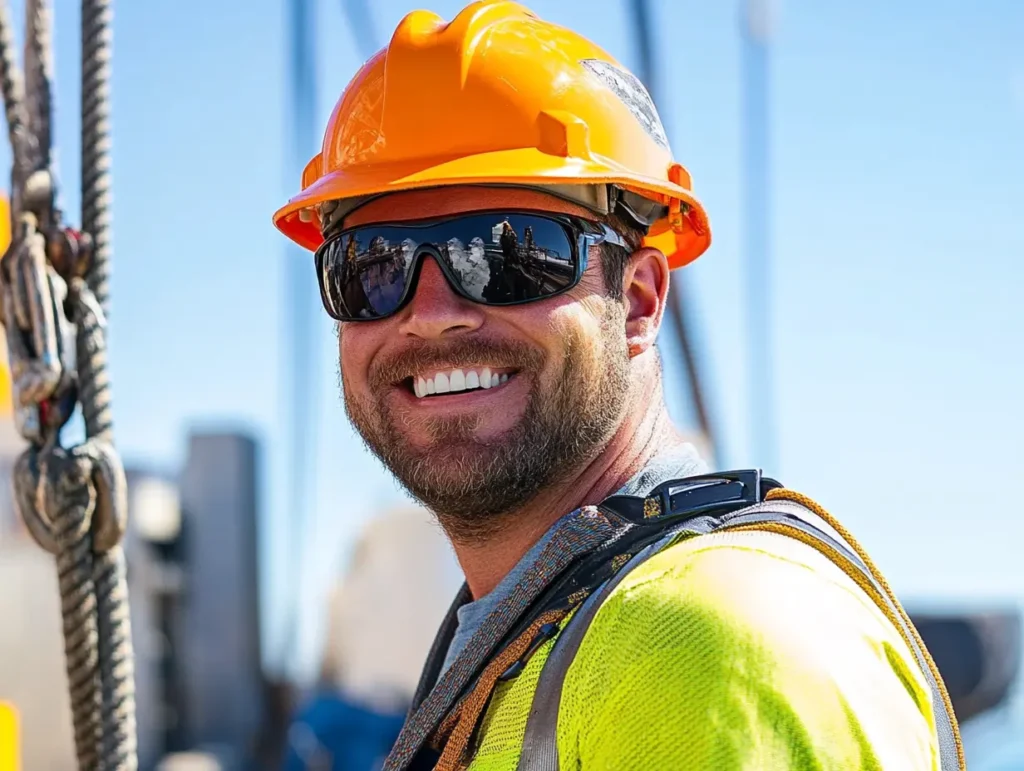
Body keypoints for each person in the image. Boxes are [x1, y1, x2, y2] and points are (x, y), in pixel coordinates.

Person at [274, 2, 964, 769]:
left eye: (508, 253)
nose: (431, 315)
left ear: (636, 301)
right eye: (372, 269)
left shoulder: (701, 638)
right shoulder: (540, 633)